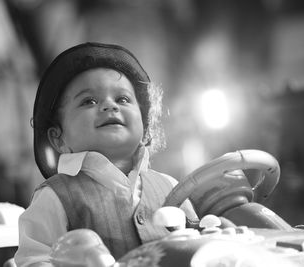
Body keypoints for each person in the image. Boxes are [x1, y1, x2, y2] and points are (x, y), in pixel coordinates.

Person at [14, 42, 198, 266]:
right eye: (88, 101)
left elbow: (201, 245)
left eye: (123, 99)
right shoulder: (55, 197)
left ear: (145, 126)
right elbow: (34, 260)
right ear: (58, 137)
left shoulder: (171, 187)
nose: (110, 106)